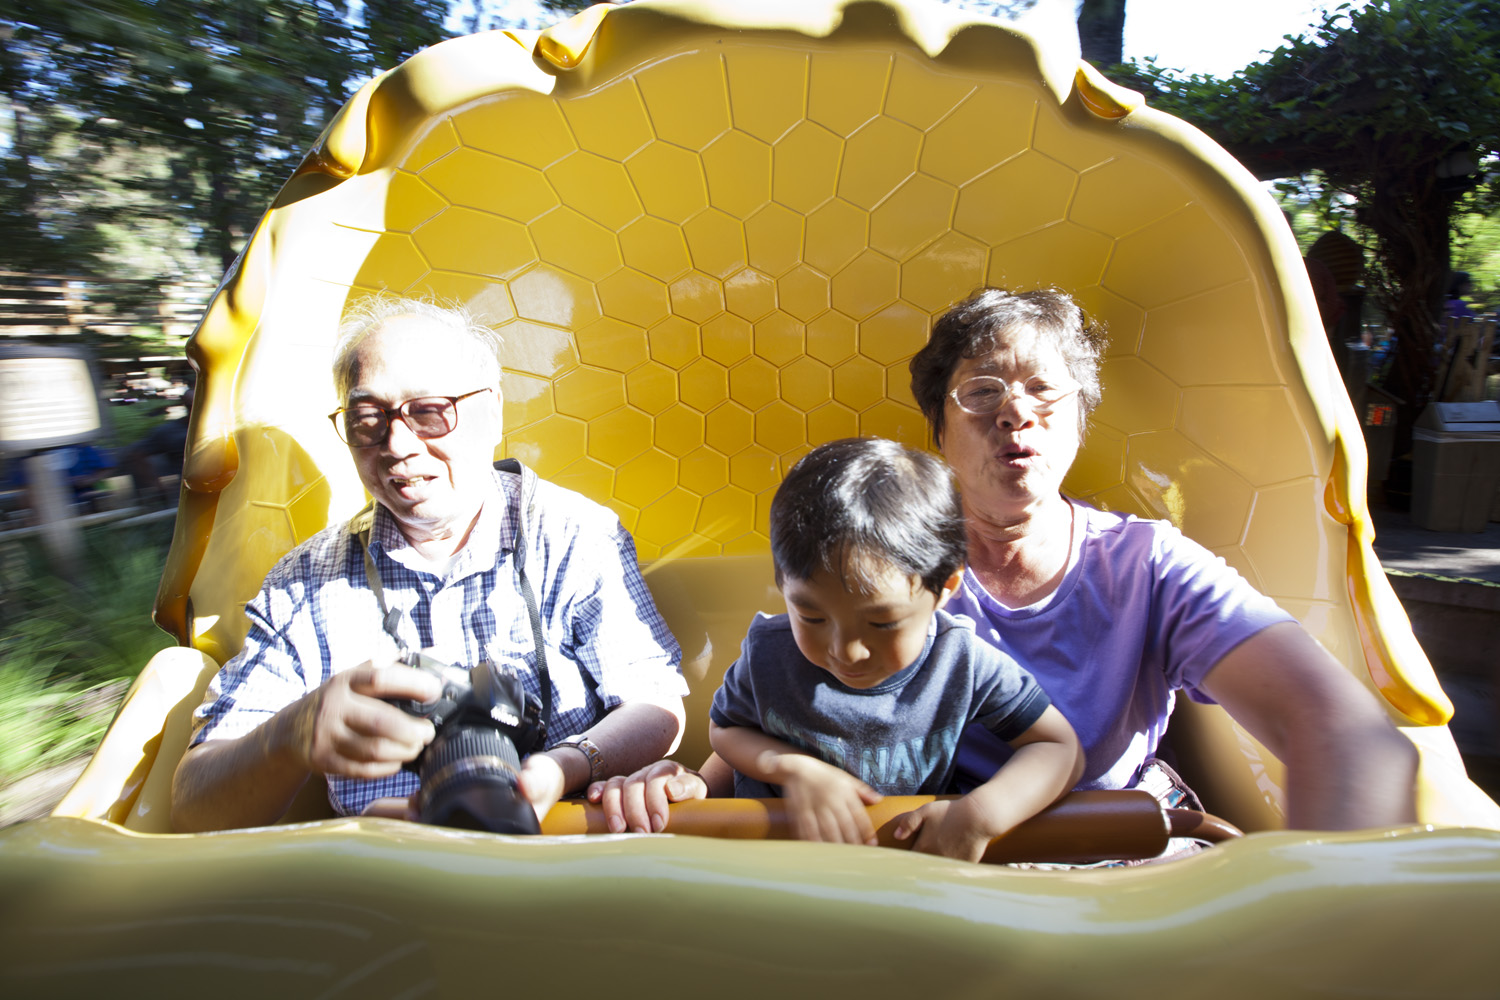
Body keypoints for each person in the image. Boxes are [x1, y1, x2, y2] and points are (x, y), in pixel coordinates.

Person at [590, 287, 1417, 836]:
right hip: (908, 877)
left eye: (1044, 391)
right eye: (982, 392)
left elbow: (1346, 734)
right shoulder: (878, 565)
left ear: (1080, 419)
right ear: (939, 428)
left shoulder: (1150, 567)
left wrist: (1325, 926)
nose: (1015, 414)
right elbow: (787, 710)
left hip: (1086, 868)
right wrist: (688, 781)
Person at [172, 296, 688, 832]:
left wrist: (564, 767)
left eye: (429, 412)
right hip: (387, 869)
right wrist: (292, 734)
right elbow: (192, 806)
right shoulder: (301, 585)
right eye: (367, 420)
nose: (398, 444)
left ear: (492, 409)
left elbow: (656, 702)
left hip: (567, 850)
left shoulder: (574, 534)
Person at [708, 437, 1082, 861]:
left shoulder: (960, 661)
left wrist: (981, 814)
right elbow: (726, 729)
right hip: (772, 868)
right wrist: (792, 768)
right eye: (812, 617)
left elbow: (1058, 748)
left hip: (900, 867)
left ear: (945, 588)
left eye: (881, 623)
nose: (846, 651)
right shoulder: (768, 654)